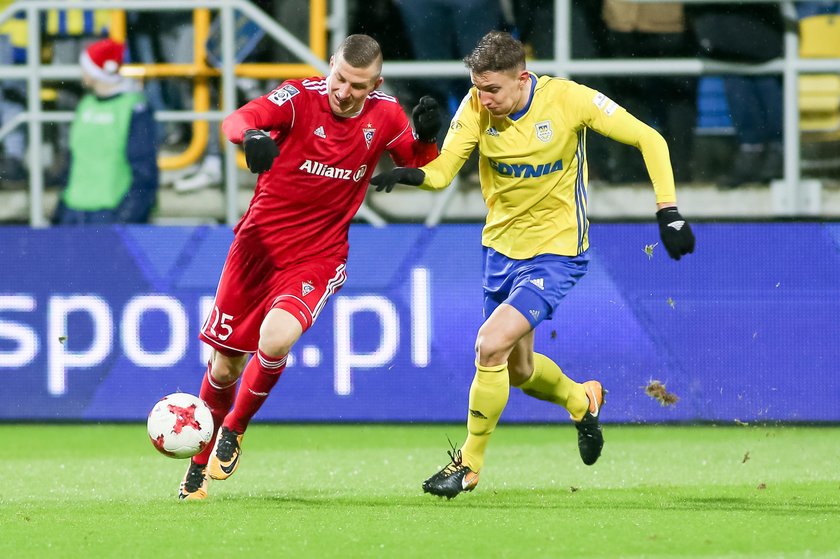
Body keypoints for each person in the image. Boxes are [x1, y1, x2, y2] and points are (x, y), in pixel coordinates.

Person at [371, 31, 695, 499]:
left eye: (493, 90)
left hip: (557, 250)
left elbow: (650, 138)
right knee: (517, 370)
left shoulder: (568, 100)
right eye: (478, 88)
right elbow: (443, 175)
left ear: (522, 79)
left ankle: (468, 465)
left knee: (488, 345)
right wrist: (412, 173)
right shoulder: (476, 107)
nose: (484, 98)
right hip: (500, 251)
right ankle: (579, 398)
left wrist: (668, 210)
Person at [178, 34, 441, 500]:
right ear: (331, 68)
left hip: (318, 255)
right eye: (339, 78)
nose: (344, 92)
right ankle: (197, 467)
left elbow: (422, 166)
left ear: (375, 83)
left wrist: (425, 138)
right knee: (223, 369)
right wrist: (253, 136)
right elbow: (237, 120)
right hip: (255, 251)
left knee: (276, 337)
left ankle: (235, 428)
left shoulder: (386, 115)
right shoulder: (299, 98)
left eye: (358, 86)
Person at [52, 38, 159, 224]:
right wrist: (61, 213)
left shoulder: (134, 108)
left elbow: (144, 172)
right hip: (74, 211)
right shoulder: (86, 104)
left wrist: (125, 218)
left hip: (110, 213)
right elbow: (73, 164)